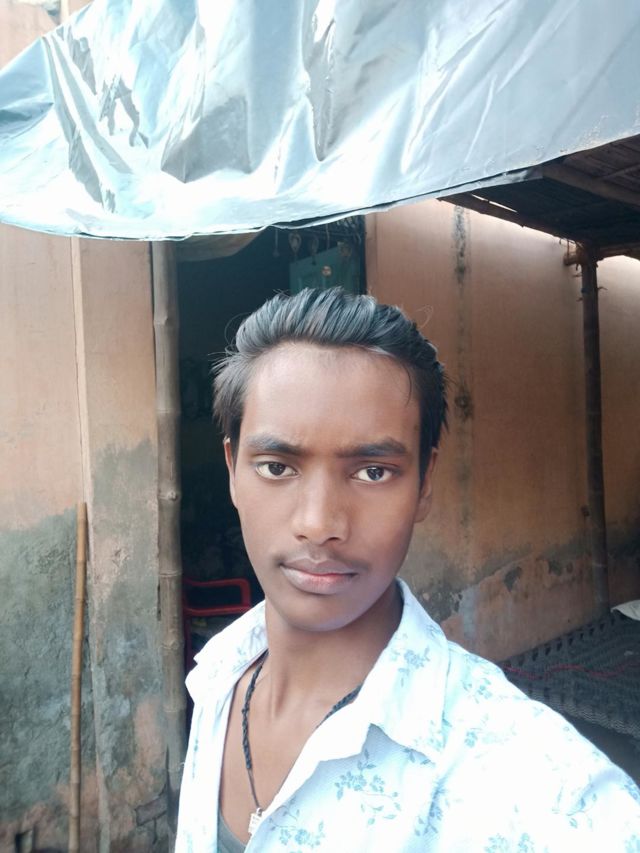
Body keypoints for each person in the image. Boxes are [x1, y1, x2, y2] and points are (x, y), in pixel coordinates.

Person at [176, 287, 639, 852]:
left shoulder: (532, 783)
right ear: (232, 469)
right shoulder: (219, 678)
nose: (319, 524)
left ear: (424, 483)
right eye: (277, 467)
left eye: (373, 471)